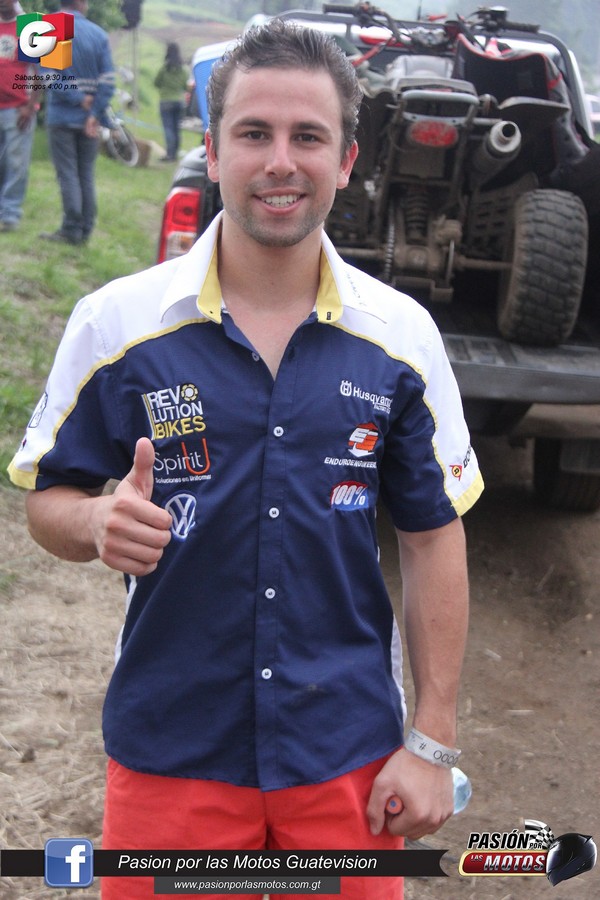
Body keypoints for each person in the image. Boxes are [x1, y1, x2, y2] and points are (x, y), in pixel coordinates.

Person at [9, 19, 484, 900]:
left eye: (309, 137)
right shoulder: (116, 325)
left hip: (346, 759)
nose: (280, 162)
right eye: (255, 133)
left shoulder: (402, 339)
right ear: (213, 146)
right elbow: (47, 500)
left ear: (346, 160)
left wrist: (430, 743)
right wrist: (95, 520)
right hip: (171, 753)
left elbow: (431, 537)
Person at [40, 0, 114, 245]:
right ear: (81, 3)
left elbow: (48, 77)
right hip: (90, 120)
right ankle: (86, 229)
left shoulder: (51, 28)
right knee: (86, 174)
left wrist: (78, 98)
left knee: (68, 174)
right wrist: (94, 112)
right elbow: (108, 81)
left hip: (61, 118)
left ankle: (71, 229)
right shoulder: (99, 34)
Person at [0, 0, 37, 232]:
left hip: (19, 107)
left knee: (16, 162)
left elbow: (43, 72)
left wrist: (31, 106)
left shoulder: (30, 25)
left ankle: (10, 214)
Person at [154, 41, 187, 162]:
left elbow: (156, 83)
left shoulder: (164, 69)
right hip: (179, 101)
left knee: (168, 128)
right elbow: (185, 86)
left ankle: (169, 154)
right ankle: (175, 153)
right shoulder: (183, 69)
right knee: (176, 129)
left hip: (166, 101)